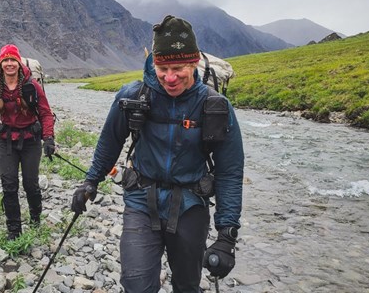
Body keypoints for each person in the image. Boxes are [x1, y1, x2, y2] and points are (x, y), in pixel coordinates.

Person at [71, 15, 244, 292]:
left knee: (187, 285)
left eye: (178, 68)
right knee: (135, 284)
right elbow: (109, 142)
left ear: (193, 63)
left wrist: (226, 235)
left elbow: (230, 172)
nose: (170, 77)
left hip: (191, 206)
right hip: (141, 201)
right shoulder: (133, 97)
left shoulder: (214, 106)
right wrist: (90, 181)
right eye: (163, 67)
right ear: (154, 62)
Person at [0, 44, 56, 240]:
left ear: (19, 63)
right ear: (0, 64)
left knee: (31, 184)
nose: (10, 64)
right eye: (6, 60)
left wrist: (48, 138)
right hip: (6, 142)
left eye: (13, 60)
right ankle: (14, 231)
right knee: (9, 185)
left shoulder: (33, 86)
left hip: (31, 142)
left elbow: (46, 114)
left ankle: (35, 219)